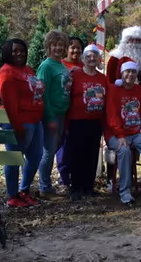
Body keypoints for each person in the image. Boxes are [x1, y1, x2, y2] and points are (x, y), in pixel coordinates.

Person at [105, 57, 141, 204]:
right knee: (124, 151)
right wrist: (120, 135)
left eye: (133, 72)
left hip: (135, 133)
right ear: (122, 73)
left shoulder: (138, 90)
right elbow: (112, 116)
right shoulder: (114, 89)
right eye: (127, 71)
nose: (130, 75)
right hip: (115, 134)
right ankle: (125, 190)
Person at [0, 39, 45, 207]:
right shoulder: (6, 73)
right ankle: (12, 196)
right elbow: (9, 104)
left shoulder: (27, 70)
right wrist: (16, 127)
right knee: (14, 158)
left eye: (22, 51)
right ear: (7, 52)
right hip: (18, 122)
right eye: (15, 51)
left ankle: (24, 190)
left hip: (35, 120)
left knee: (36, 156)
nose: (19, 54)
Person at [64, 44, 108, 200]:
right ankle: (75, 188)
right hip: (77, 121)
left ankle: (88, 187)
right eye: (88, 56)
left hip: (95, 121)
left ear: (98, 59)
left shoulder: (102, 78)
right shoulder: (75, 75)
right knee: (77, 155)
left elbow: (106, 101)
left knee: (91, 154)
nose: (91, 58)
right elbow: (66, 95)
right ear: (83, 58)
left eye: (94, 56)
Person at [36, 30, 72, 201]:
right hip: (51, 115)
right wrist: (49, 117)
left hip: (62, 114)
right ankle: (44, 188)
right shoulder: (46, 66)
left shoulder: (62, 65)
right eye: (55, 44)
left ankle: (46, 185)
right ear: (48, 46)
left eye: (61, 45)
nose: (58, 48)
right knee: (48, 152)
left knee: (52, 150)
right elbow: (42, 93)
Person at [56, 36, 85, 189]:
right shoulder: (60, 65)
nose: (75, 50)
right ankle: (64, 177)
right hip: (63, 110)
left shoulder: (85, 65)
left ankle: (77, 175)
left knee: (77, 144)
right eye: (72, 47)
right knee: (63, 144)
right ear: (67, 49)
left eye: (78, 47)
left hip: (80, 111)